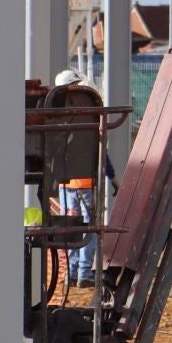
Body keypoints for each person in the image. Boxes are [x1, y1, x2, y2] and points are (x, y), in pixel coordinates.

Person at [53, 69, 115, 287]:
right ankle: (83, 272)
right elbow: (99, 151)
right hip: (86, 183)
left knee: (71, 227)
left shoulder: (56, 112)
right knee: (90, 227)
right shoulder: (89, 112)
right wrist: (112, 177)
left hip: (65, 183)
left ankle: (71, 273)